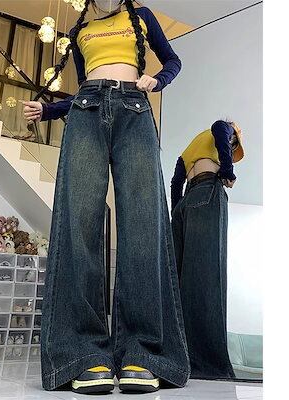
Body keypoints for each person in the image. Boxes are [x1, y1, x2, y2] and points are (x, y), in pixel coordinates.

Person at [22, 0, 190, 394]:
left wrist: (157, 81)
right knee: (79, 224)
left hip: (135, 109)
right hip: (86, 111)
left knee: (143, 226)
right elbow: (84, 89)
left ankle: (142, 351)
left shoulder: (142, 17)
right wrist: (49, 110)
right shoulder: (79, 30)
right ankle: (83, 353)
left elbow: (173, 60)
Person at [170, 120, 244, 379]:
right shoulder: (224, 127)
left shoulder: (188, 150)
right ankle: (208, 365)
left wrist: (177, 212)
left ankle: (180, 358)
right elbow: (220, 129)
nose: (231, 146)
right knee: (208, 278)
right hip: (207, 191)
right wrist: (228, 171)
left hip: (186, 202)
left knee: (180, 281)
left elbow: (176, 182)